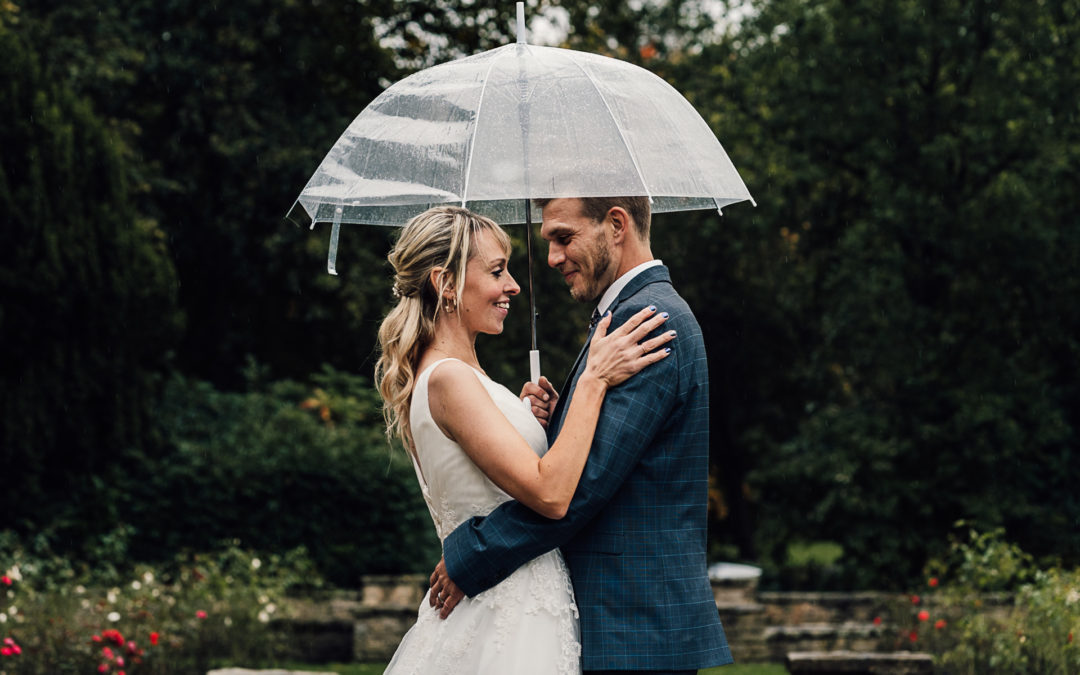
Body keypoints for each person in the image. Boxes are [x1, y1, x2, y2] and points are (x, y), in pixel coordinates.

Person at [429, 197, 733, 674]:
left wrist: (472, 554)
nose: (551, 257)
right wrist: (551, 425)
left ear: (616, 225)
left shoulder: (649, 321)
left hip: (633, 628)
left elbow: (580, 488)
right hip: (625, 622)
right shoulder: (629, 314)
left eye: (563, 237)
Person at [376, 205, 675, 675]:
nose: (513, 285)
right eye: (497, 271)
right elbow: (551, 495)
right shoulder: (449, 380)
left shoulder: (460, 377)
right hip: (505, 614)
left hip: (518, 602)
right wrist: (594, 380)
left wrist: (536, 422)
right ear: (445, 283)